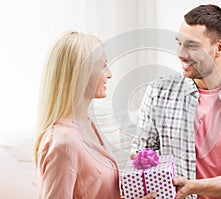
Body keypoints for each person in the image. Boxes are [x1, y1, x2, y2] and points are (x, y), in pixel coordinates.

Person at [131, 4, 221, 199]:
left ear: (219, 48)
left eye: (192, 46)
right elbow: (142, 153)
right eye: (179, 43)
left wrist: (194, 187)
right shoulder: (159, 91)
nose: (180, 53)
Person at [34, 31, 156, 199]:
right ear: (80, 73)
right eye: (103, 65)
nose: (109, 74)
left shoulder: (87, 124)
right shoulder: (62, 142)